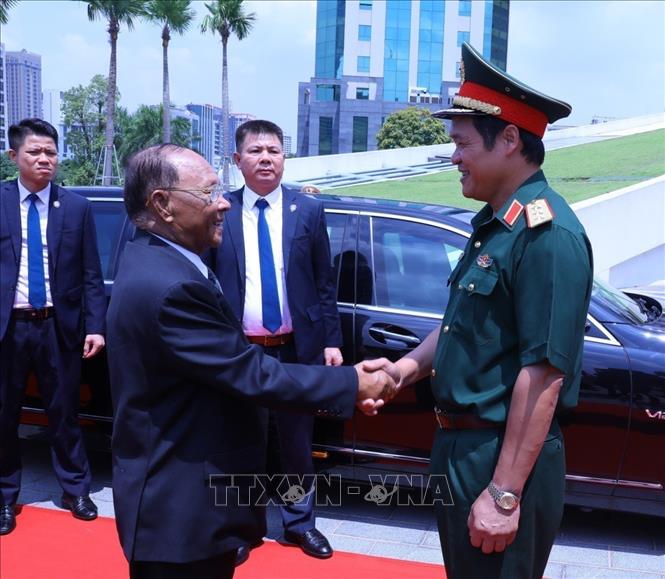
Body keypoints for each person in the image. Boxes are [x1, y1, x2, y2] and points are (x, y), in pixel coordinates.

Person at [106, 143, 394, 579]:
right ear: (162, 204)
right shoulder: (170, 287)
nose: (222, 202)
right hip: (182, 516)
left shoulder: (158, 260)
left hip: (186, 501)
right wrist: (352, 384)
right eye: (208, 194)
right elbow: (250, 372)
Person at [367, 43, 594, 578]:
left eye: (462, 143)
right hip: (463, 449)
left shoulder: (548, 235)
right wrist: (403, 369)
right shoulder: (496, 225)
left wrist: (505, 495)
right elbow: (460, 327)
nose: (454, 157)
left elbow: (543, 376)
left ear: (510, 139)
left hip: (501, 460)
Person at [213, 119, 341, 562]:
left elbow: (324, 282)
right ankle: (241, 527)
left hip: (293, 349)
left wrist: (330, 339)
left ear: (285, 158)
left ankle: (299, 524)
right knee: (240, 441)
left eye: (274, 150)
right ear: (237, 160)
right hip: (239, 350)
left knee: (295, 443)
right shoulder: (220, 211)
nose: (266, 158)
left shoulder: (307, 210)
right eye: (255, 151)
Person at [0, 118, 106, 535]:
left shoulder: (76, 207)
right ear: (14, 157)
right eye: (34, 152)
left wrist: (95, 326)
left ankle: (75, 489)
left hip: (58, 328)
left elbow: (91, 273)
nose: (44, 159)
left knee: (64, 412)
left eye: (50, 152)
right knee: (5, 414)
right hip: (9, 328)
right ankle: (6, 496)